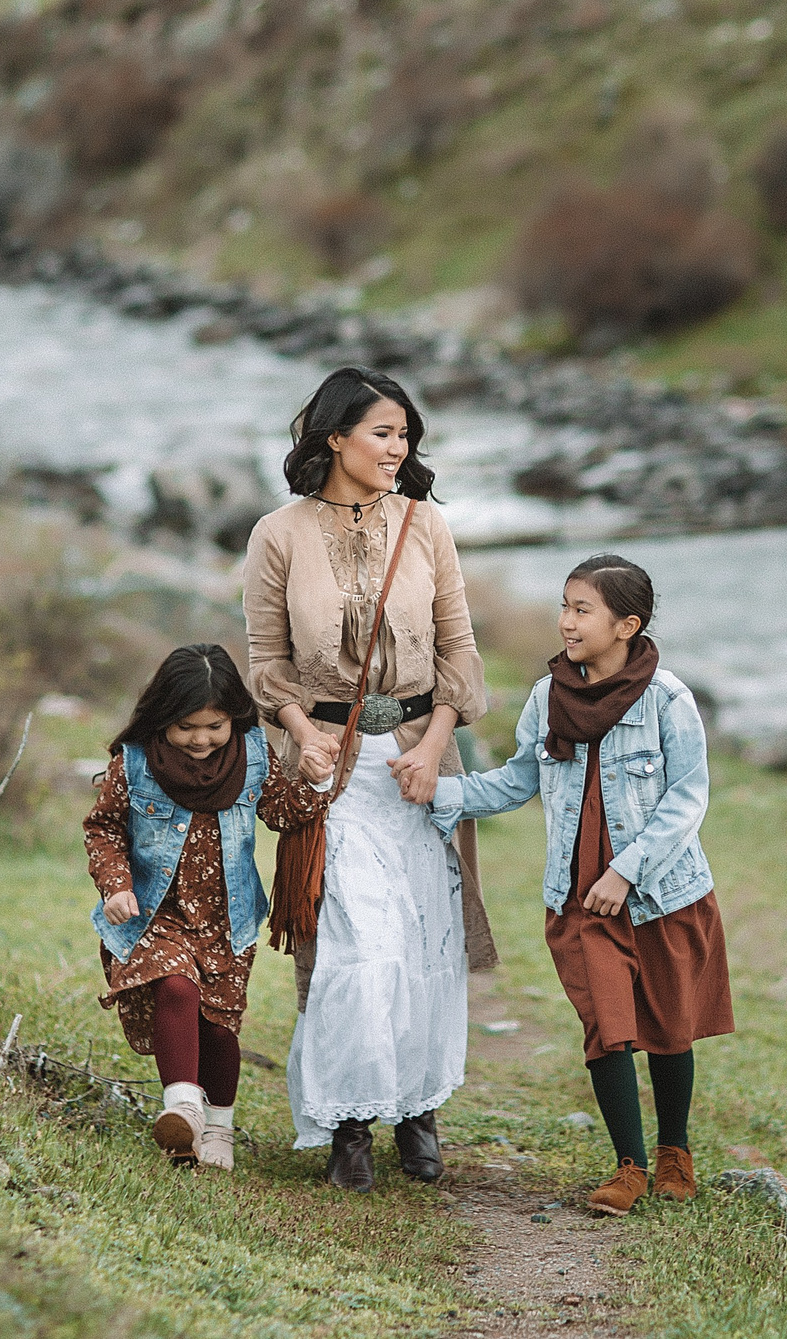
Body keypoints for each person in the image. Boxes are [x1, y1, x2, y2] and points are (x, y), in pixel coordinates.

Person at [403, 554, 731, 1216]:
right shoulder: (547, 697)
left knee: (669, 1025)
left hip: (661, 893)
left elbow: (686, 799)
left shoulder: (668, 699)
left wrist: (627, 869)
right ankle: (629, 1165)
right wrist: (440, 791)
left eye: (583, 610)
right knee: (606, 1026)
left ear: (626, 625)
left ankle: (675, 1150)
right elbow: (519, 779)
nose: (566, 621)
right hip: (580, 899)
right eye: (564, 606)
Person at [240, 366, 493, 1193]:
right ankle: (349, 1120)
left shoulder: (427, 524)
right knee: (356, 942)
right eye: (383, 432)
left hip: (420, 759)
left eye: (405, 434)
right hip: (328, 764)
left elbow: (460, 649)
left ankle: (417, 1108)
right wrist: (301, 732)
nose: (398, 448)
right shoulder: (277, 534)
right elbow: (265, 661)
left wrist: (435, 743)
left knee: (422, 938)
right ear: (335, 436)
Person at [84, 643, 323, 1170]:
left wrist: (315, 777)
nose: (200, 739)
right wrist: (116, 885)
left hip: (226, 919)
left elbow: (284, 814)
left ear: (233, 718)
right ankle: (183, 1109)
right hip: (154, 914)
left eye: (214, 726)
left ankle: (217, 1130)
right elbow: (104, 828)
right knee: (174, 987)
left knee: (218, 1029)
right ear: (162, 717)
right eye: (186, 727)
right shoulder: (135, 762)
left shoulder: (253, 756)